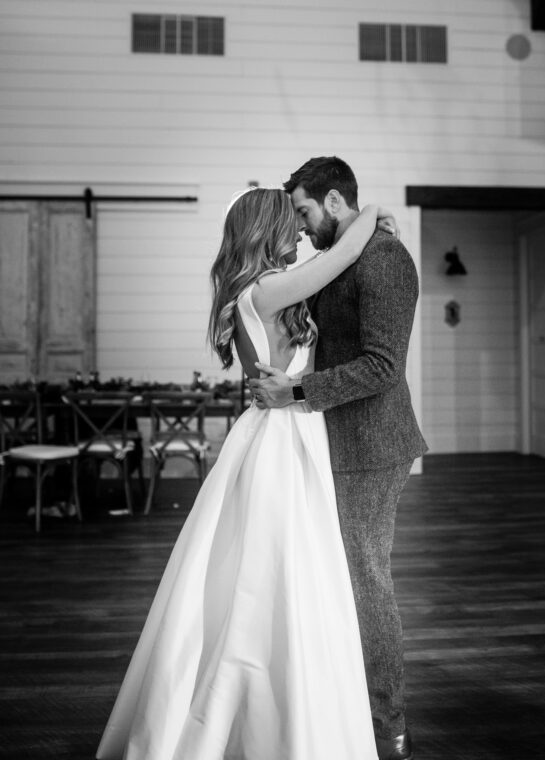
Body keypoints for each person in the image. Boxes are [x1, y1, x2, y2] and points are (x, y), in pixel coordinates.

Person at [95, 187, 397, 760]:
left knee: (277, 563)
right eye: (291, 222)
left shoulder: (258, 289)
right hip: (283, 436)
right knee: (279, 565)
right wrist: (376, 209)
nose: (300, 232)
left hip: (287, 428)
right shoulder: (264, 290)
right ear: (267, 229)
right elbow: (341, 256)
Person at [249, 157, 428, 760]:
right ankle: (339, 706)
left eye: (303, 212)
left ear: (332, 201)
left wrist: (296, 392)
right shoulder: (347, 252)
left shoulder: (385, 260)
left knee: (365, 579)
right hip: (332, 440)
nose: (300, 229)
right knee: (336, 578)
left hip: (371, 446)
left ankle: (387, 725)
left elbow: (383, 366)